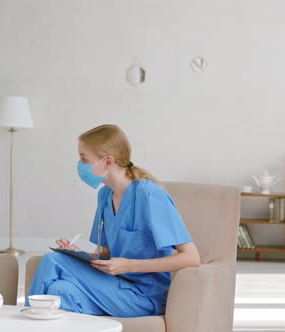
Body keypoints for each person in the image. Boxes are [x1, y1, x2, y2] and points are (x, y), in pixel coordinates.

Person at [27, 124, 200, 317]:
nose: (80, 164)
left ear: (108, 161)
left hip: (144, 297)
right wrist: (77, 253)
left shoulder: (149, 195)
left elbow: (191, 257)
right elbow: (107, 256)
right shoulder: (104, 195)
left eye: (84, 159)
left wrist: (129, 265)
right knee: (59, 290)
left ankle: (20, 325)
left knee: (53, 260)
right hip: (113, 287)